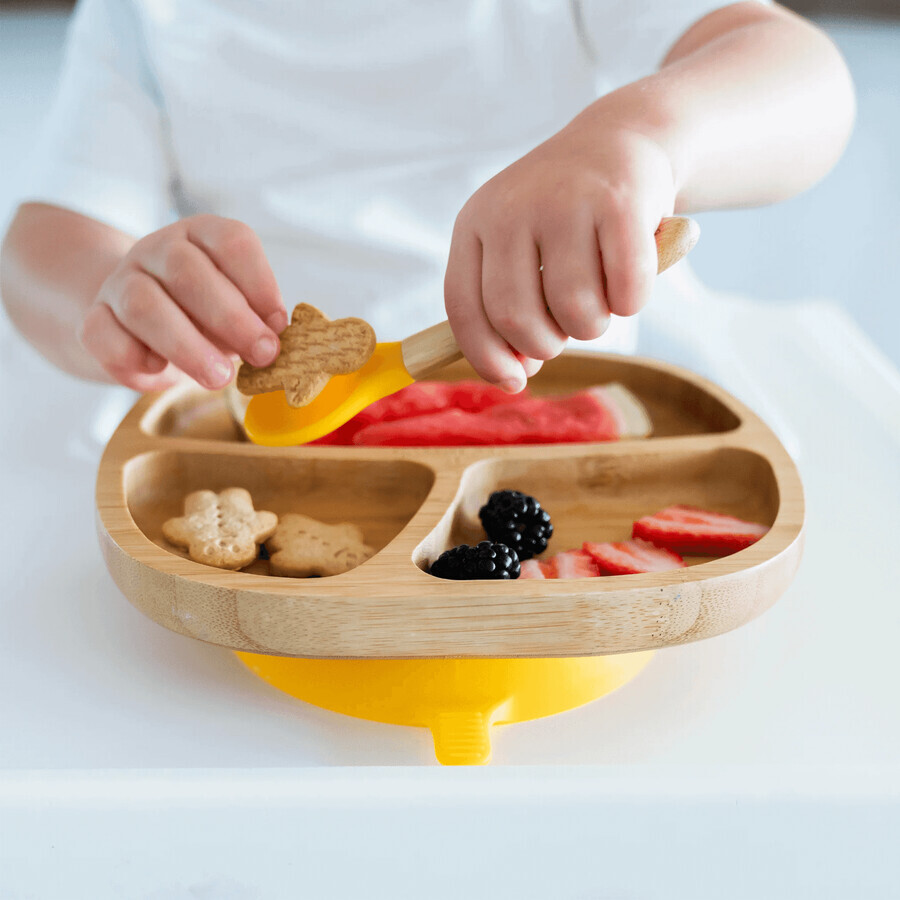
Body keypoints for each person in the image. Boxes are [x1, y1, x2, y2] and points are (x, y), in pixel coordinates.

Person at [1, 1, 854, 397]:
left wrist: (640, 135)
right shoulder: (140, 16)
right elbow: (44, 241)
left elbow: (801, 76)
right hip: (264, 426)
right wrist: (111, 290)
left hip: (557, 389)